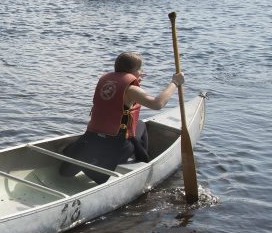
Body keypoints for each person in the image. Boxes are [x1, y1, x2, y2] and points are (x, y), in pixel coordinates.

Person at [60, 52, 185, 184]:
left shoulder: (105, 81)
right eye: (139, 69)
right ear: (134, 71)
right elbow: (157, 103)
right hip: (116, 143)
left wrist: (134, 78)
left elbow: (117, 98)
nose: (141, 72)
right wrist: (174, 83)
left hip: (92, 136)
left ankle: (82, 156)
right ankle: (143, 161)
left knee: (136, 125)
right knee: (141, 125)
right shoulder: (131, 90)